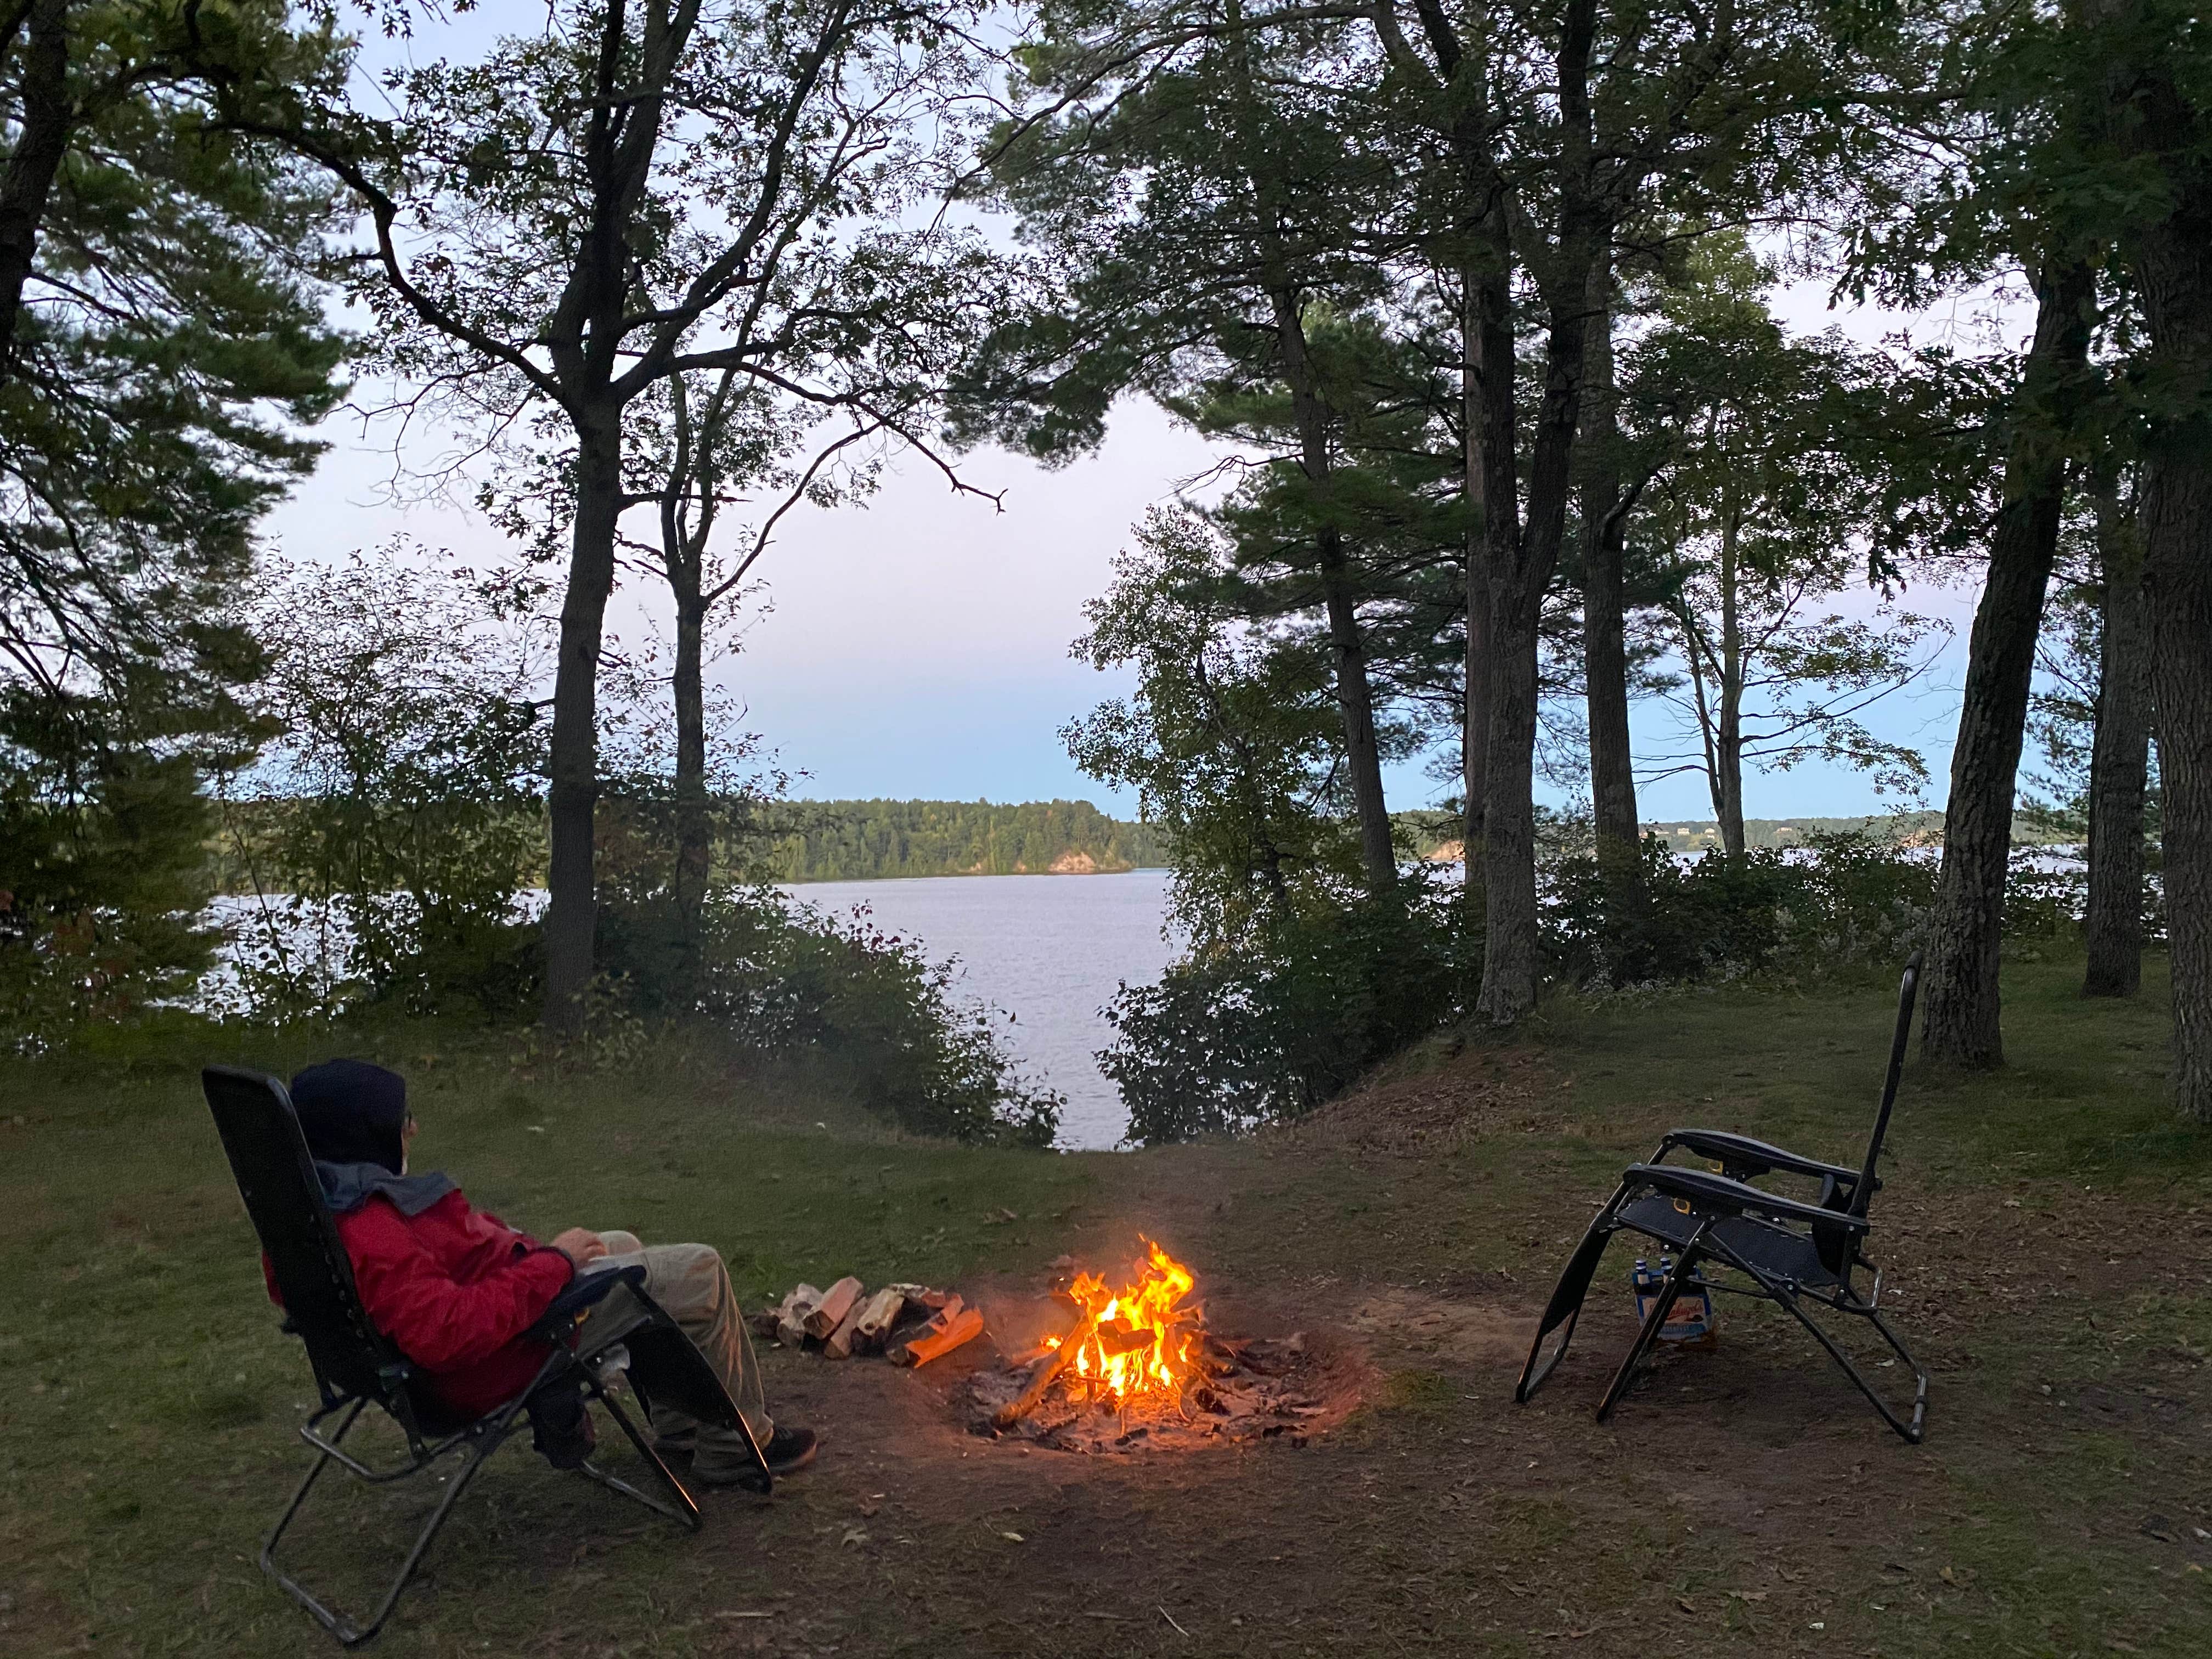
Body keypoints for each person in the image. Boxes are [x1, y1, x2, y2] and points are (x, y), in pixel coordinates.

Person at [275, 1058, 816, 1484]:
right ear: (363, 1135)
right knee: (699, 1270)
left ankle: (683, 1428)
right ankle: (737, 1448)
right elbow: (447, 1333)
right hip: (501, 1357)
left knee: (618, 1245)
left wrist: (523, 1254)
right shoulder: (370, 1232)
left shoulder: (317, 1210)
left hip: (482, 1336)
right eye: (399, 1121)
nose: (412, 1128)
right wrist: (554, 1264)